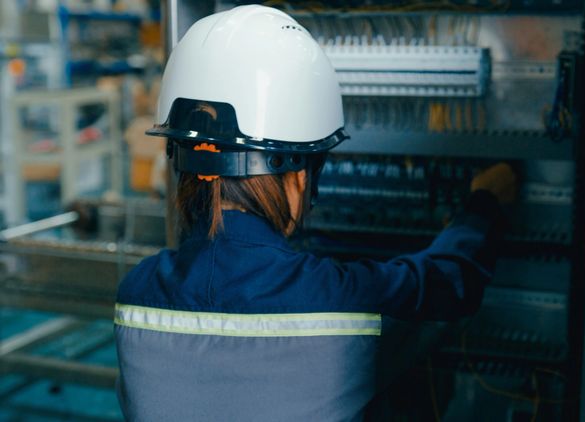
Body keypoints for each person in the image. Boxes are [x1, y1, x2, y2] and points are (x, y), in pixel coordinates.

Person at [113, 5, 517, 421]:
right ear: (299, 174)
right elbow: (448, 282)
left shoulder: (136, 296)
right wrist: (483, 204)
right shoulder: (341, 300)